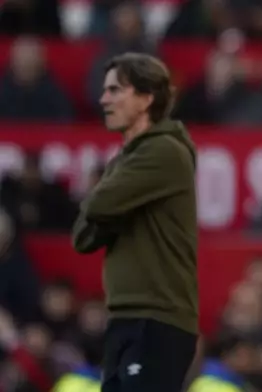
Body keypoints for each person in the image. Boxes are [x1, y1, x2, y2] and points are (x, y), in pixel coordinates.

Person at [71, 52, 199, 392]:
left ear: (146, 98)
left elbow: (98, 204)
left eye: (115, 90)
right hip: (127, 319)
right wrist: (108, 203)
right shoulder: (125, 161)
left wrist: (107, 202)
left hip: (157, 319)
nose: (103, 100)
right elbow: (82, 238)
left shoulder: (165, 151)